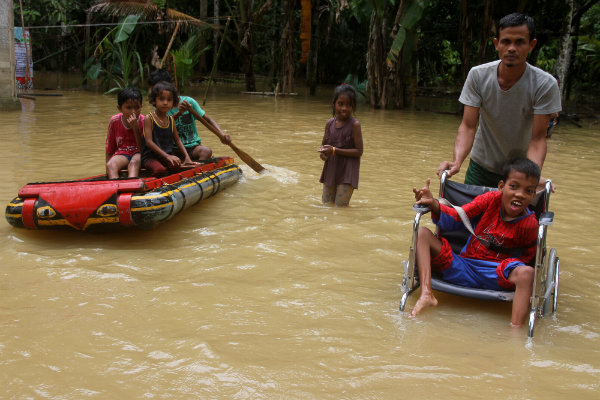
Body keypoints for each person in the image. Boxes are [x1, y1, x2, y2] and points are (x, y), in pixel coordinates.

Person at [410, 158, 541, 327]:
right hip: (465, 265)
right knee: (422, 233)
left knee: (527, 273)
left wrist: (520, 277)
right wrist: (434, 204)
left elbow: (529, 257)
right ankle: (426, 294)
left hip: (498, 273)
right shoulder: (490, 199)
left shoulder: (530, 224)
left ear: (532, 195)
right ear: (501, 186)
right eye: (514, 186)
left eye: (528, 191)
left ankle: (515, 331)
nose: (520, 194)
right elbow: (458, 216)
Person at [438, 13, 561, 188]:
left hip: (518, 174)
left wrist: (531, 175)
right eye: (506, 42)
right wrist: (457, 162)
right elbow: (468, 126)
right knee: (470, 213)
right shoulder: (478, 75)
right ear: (497, 44)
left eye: (519, 42)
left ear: (531, 45)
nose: (511, 48)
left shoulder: (545, 84)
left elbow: (538, 138)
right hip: (480, 167)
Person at [147, 69, 231, 161]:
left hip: (193, 147)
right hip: (172, 149)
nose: (164, 102)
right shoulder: (160, 109)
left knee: (206, 151)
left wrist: (221, 134)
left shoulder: (189, 102)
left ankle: (196, 169)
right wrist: (179, 113)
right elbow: (164, 125)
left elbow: (208, 120)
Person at [318, 84, 364, 207]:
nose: (344, 108)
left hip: (348, 172)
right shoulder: (329, 123)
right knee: (326, 206)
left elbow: (359, 151)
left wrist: (334, 150)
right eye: (341, 104)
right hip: (331, 169)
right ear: (334, 104)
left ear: (353, 107)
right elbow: (324, 145)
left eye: (349, 105)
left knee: (340, 208)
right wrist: (323, 154)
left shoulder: (355, 125)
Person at [142, 81, 196, 176]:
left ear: (173, 102)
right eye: (161, 99)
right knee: (160, 170)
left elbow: (178, 140)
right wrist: (167, 156)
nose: (165, 103)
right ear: (154, 101)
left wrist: (187, 157)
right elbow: (148, 142)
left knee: (176, 166)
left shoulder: (170, 120)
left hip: (165, 156)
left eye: (169, 100)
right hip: (150, 157)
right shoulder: (149, 118)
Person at [105, 88, 144, 179]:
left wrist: (135, 128)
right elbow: (109, 147)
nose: (133, 111)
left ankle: (131, 186)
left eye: (137, 107)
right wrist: (107, 169)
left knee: (133, 164)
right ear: (119, 108)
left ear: (141, 106)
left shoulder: (144, 121)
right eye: (128, 108)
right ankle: (116, 188)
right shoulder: (114, 121)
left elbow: (143, 148)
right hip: (122, 153)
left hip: (138, 153)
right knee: (111, 165)